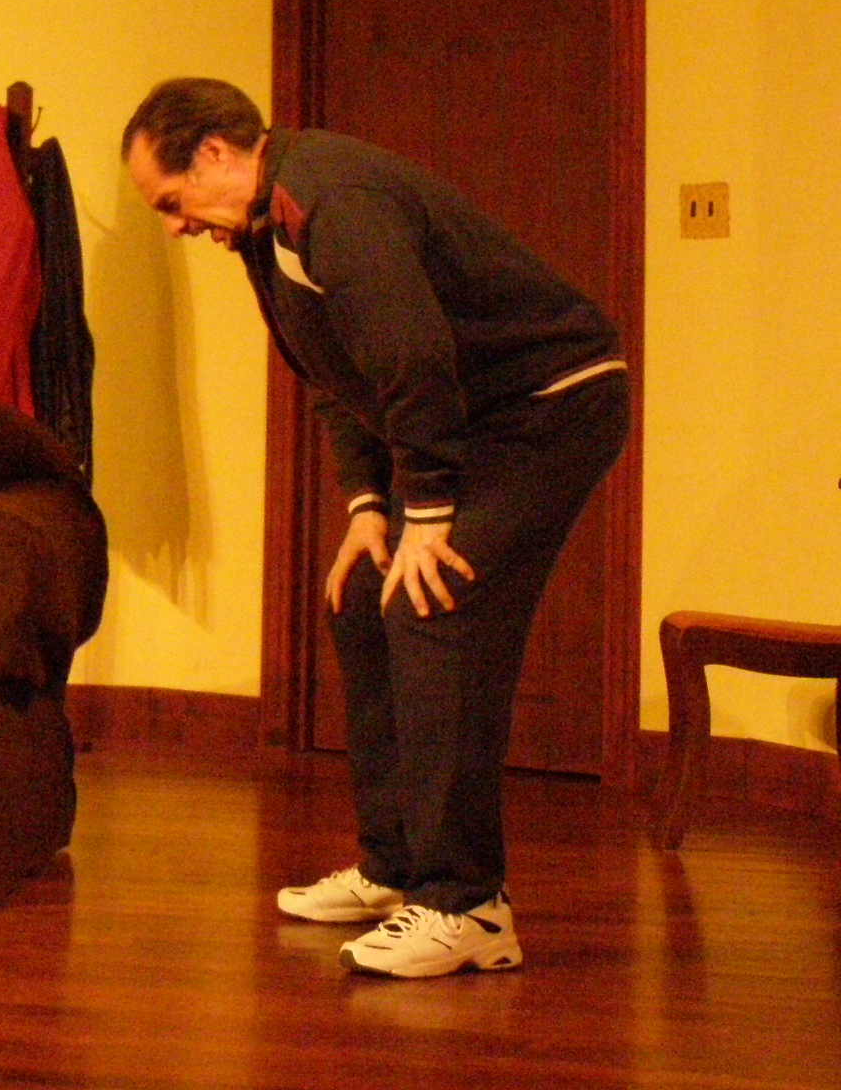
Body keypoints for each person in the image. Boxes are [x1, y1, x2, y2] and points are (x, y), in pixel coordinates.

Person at [121, 77, 629, 979]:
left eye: (170, 202)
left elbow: (412, 355)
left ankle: (468, 906)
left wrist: (426, 510)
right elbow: (338, 374)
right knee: (363, 598)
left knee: (435, 605)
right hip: (474, 420)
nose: (174, 226)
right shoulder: (267, 228)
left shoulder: (332, 200)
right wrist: (367, 506)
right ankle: (398, 869)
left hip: (552, 405)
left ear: (214, 154)